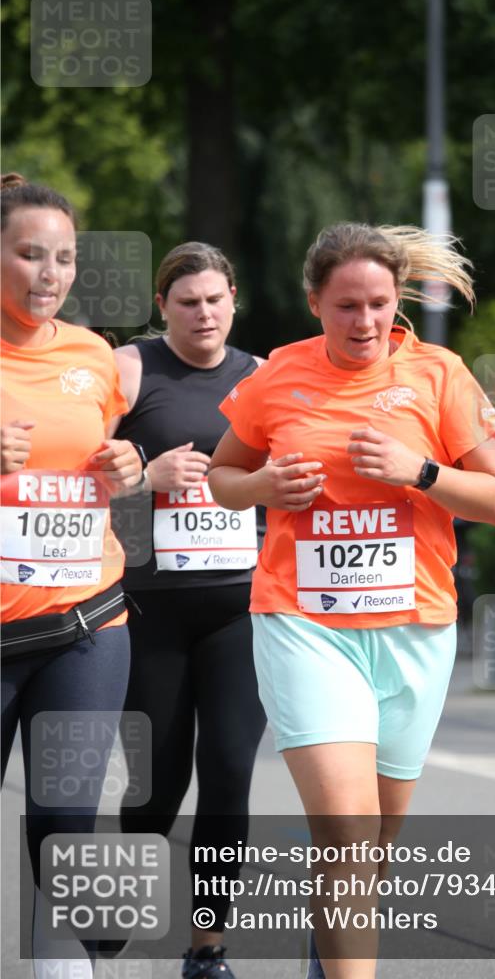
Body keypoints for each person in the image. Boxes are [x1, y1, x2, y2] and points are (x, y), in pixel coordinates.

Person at [207, 222, 495, 979]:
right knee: (346, 831)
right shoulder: (279, 374)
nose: (365, 321)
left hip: (414, 629)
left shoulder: (438, 373)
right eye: (346, 305)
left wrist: (420, 471)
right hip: (304, 623)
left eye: (378, 303)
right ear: (315, 302)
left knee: (373, 846)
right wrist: (262, 485)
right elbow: (221, 478)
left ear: (396, 299)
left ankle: (328, 958)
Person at [111, 242, 267, 979]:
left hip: (242, 607)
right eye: (187, 302)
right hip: (150, 610)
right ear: (162, 306)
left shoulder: (264, 376)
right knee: (157, 785)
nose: (203, 314)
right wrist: (148, 474)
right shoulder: (130, 370)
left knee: (229, 770)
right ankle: (116, 903)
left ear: (233, 298)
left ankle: (207, 948)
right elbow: (73, 471)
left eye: (214, 299)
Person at [0, 173, 143, 977]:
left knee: (64, 827)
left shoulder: (93, 355)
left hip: (84, 626)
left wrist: (128, 467)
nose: (48, 274)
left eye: (63, 258)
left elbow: (104, 459)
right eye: (30, 255)